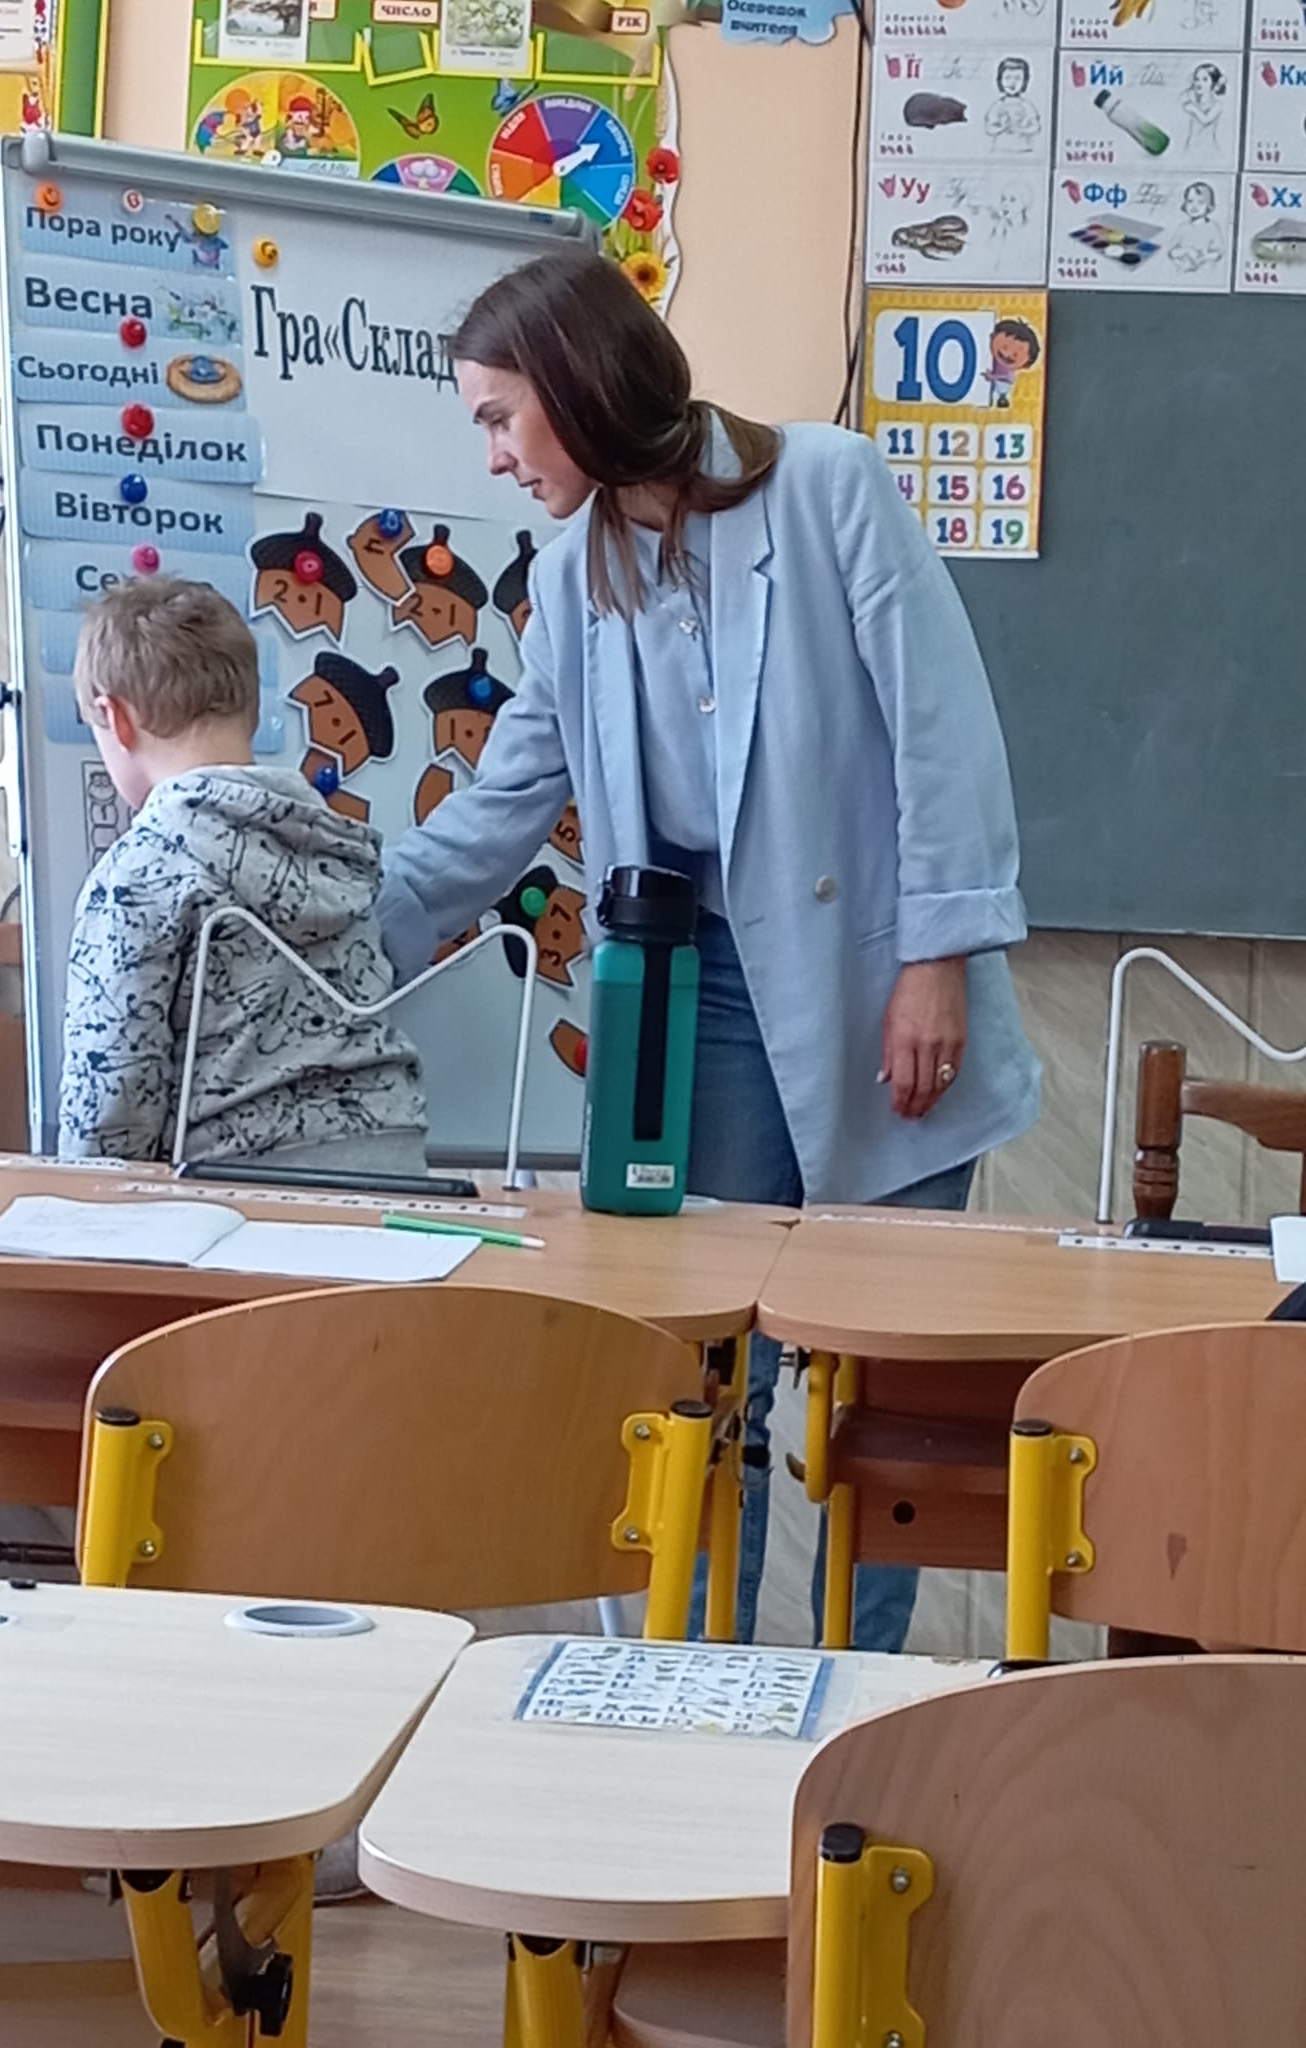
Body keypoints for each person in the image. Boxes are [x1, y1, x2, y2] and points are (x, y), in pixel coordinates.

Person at [377, 249, 1041, 1648]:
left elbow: (944, 737)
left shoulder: (827, 488)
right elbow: (497, 811)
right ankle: (697, 1682)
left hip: (879, 982)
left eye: (499, 417)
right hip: (708, 997)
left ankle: (855, 1684)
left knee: (877, 1384)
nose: (491, 456)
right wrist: (316, 922)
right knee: (707, 1367)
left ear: (575, 384)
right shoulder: (569, 576)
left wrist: (937, 963)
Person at [58, 575, 427, 1172]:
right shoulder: (336, 845)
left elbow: (111, 1101)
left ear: (114, 718)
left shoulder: (138, 872)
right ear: (252, 710)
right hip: (395, 1157)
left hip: (241, 1181)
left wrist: (80, 1201)